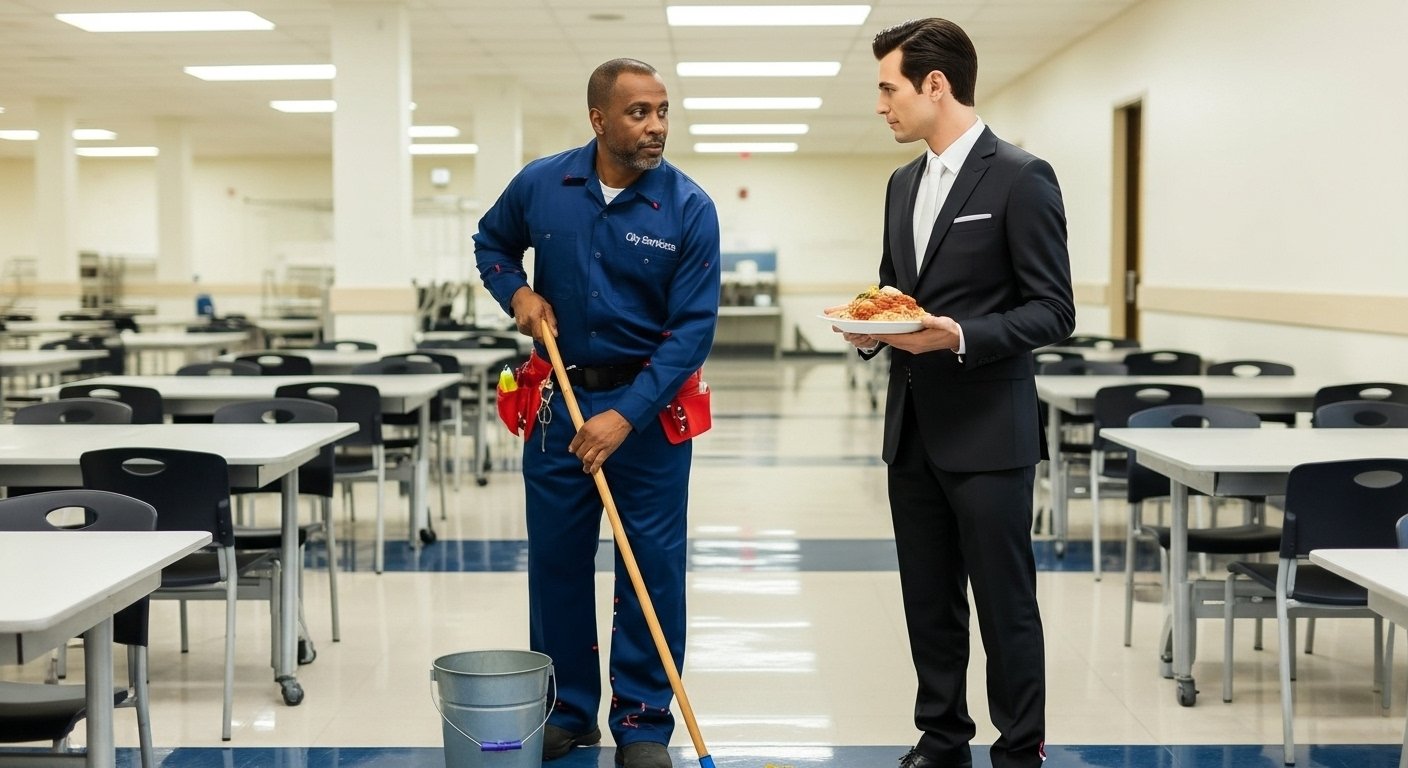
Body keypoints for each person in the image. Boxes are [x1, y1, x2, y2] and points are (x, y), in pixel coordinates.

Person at [836, 18, 1075, 768]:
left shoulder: (1020, 176)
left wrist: (960, 334)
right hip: (912, 427)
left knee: (1005, 604)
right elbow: (893, 291)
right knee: (928, 602)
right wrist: (873, 328)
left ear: (934, 85)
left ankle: (1018, 750)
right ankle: (941, 739)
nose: (881, 105)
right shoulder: (902, 182)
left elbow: (1053, 310)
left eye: (888, 87)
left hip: (989, 429)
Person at [473, 58, 721, 768]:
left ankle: (643, 722)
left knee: (652, 567)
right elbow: (491, 244)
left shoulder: (688, 207)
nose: (656, 127)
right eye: (639, 113)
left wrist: (627, 416)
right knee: (556, 564)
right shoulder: (543, 185)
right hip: (558, 403)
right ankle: (570, 711)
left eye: (663, 111)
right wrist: (516, 294)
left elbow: (691, 331)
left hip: (648, 413)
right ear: (599, 119)